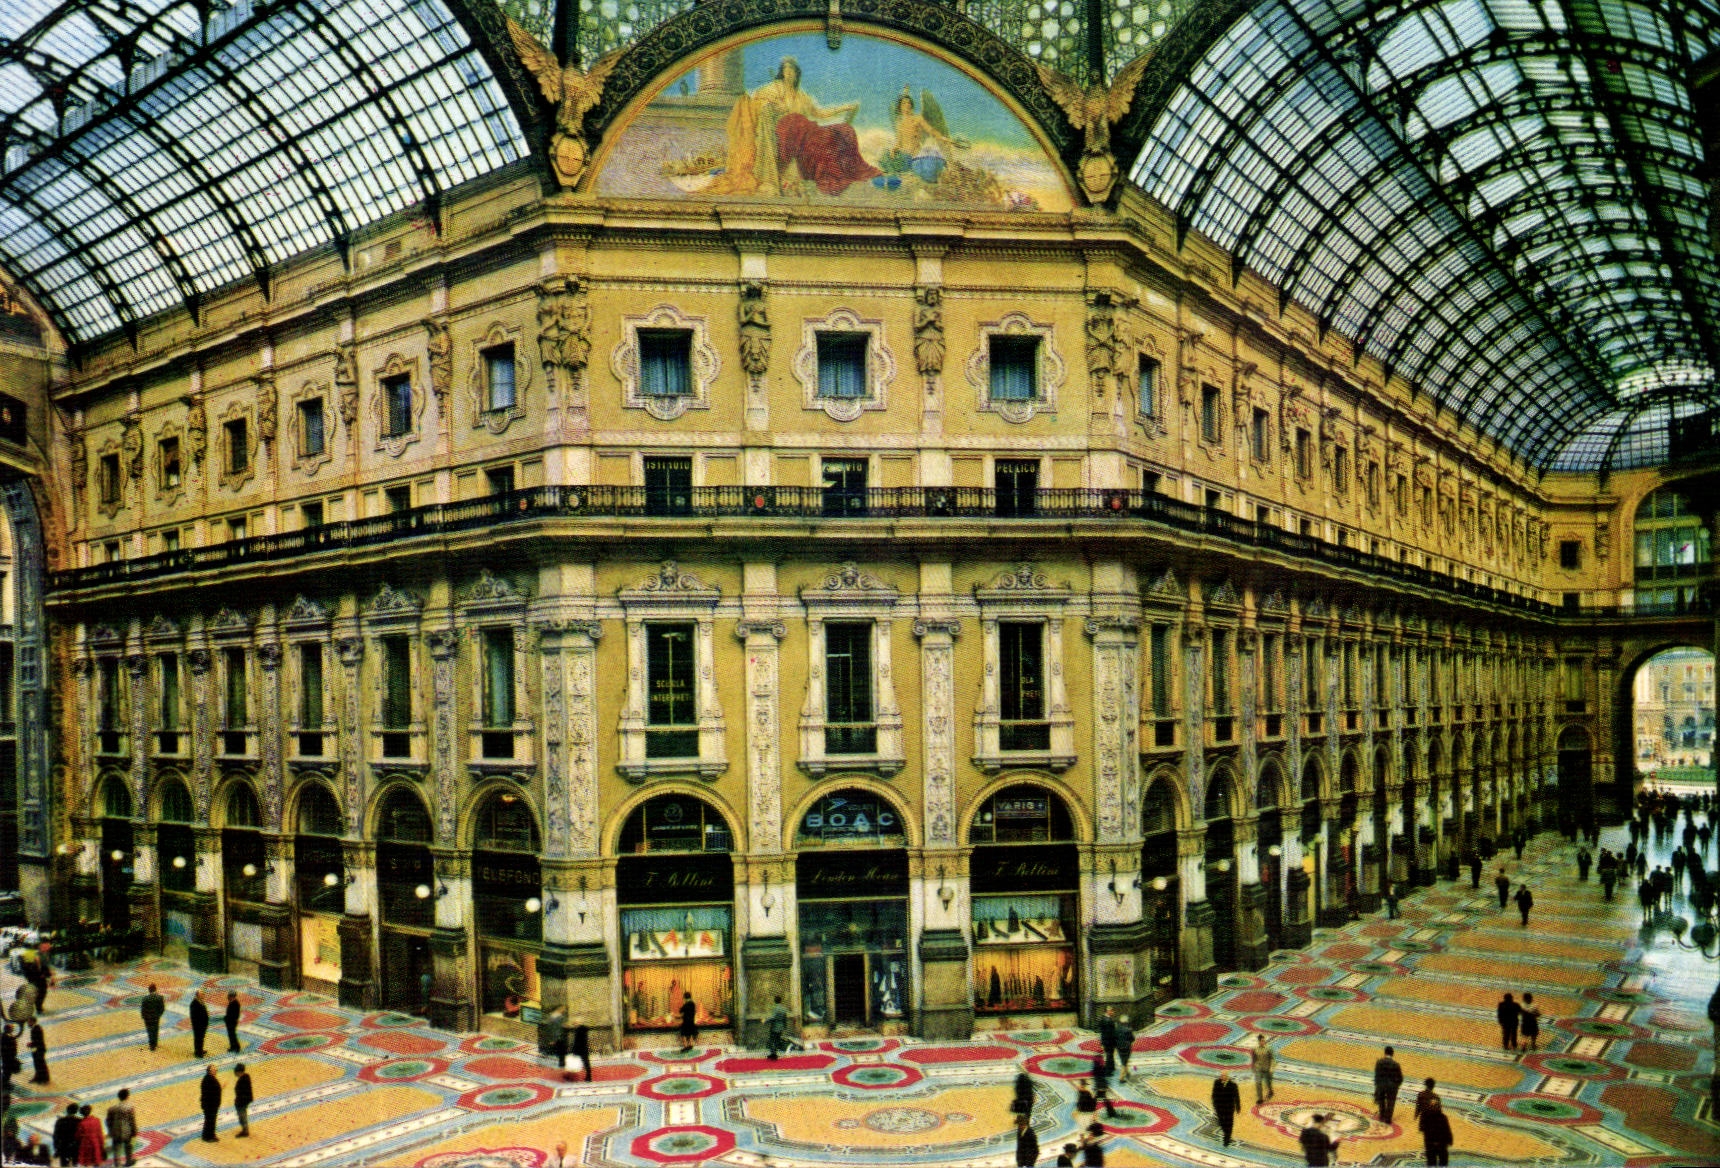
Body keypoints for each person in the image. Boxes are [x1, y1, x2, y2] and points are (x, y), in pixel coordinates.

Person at [705, 57, 874, 198]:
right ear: (782, 72)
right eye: (786, 70)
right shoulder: (775, 88)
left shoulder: (802, 96)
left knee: (843, 131)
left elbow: (820, 113)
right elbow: (756, 99)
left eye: (792, 71)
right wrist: (772, 105)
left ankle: (835, 172)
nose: (789, 73)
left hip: (805, 132)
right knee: (799, 124)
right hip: (785, 133)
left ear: (796, 74)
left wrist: (845, 107)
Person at [106, 1089, 137, 1168]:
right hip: (127, 1130)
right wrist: (134, 1130)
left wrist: (110, 1131)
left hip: (116, 1131)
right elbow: (132, 1120)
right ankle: (128, 1161)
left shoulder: (112, 1108)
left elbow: (108, 1121)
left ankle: (117, 1164)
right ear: (127, 1096)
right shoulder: (130, 1107)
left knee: (116, 1148)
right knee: (128, 1146)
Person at [1419, 1096, 1453, 1165]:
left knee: (1432, 1162)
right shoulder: (1443, 1117)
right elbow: (1447, 1130)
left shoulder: (1424, 1116)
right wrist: (1449, 1140)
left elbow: (1421, 1128)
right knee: (1442, 1162)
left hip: (1430, 1144)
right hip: (1441, 1144)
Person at [1373, 1044, 1403, 1122]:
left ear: (1385, 1053)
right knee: (1391, 1103)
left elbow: (1377, 1075)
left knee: (1381, 1101)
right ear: (1392, 1054)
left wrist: (1377, 1086)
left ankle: (1382, 1116)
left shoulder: (1379, 1062)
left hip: (1381, 1085)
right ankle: (1388, 1119)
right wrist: (1396, 1085)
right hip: (1392, 1087)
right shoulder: (1396, 1065)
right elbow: (1400, 1078)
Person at [1211, 1070, 1241, 1147]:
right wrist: (1214, 1103)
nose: (1222, 1077)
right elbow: (1214, 1094)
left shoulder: (1233, 1085)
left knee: (1229, 1123)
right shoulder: (1216, 1082)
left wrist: (1238, 1107)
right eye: (1221, 1075)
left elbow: (1236, 1097)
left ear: (1227, 1076)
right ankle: (1226, 1134)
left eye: (1224, 1076)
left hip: (1229, 1108)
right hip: (1219, 1107)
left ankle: (1227, 1138)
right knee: (1222, 1122)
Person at [52, 1102, 80, 1167]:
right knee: (75, 1165)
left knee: (64, 1165)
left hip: (63, 1147)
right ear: (76, 1111)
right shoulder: (79, 1121)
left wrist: (56, 1148)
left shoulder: (60, 1121)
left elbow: (55, 1136)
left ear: (67, 1110)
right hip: (75, 1148)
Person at [139, 984, 165, 1051]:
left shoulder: (145, 998)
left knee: (150, 1031)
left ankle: (152, 1046)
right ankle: (155, 1044)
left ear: (149, 990)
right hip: (156, 1017)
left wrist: (144, 1016)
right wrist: (159, 1015)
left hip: (147, 1017)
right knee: (155, 1030)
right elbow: (162, 1008)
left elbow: (143, 1009)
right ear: (155, 989)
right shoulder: (159, 997)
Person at [199, 1064, 222, 1142]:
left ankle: (211, 1135)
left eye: (216, 1069)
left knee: (211, 1120)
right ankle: (207, 1137)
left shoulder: (210, 1078)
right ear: (210, 1071)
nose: (216, 1071)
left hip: (212, 1104)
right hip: (209, 1104)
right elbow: (209, 1093)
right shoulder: (208, 1080)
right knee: (209, 1120)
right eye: (214, 1070)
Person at [1251, 1034, 1275, 1102]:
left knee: (1268, 1083)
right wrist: (1253, 1067)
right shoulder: (1255, 1049)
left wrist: (1271, 1068)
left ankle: (1270, 1091)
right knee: (1258, 1083)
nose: (1263, 1042)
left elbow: (1272, 1059)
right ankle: (1260, 1098)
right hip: (1258, 1069)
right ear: (1259, 1041)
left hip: (1267, 1069)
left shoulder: (1268, 1049)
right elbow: (1254, 1059)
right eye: (1262, 1040)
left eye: (1264, 1040)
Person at [232, 1061, 253, 1137]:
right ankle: (245, 1129)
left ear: (239, 1072)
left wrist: (238, 1102)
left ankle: (245, 1131)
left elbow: (241, 1093)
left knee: (242, 1115)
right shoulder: (246, 1076)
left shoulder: (242, 1080)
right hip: (245, 1100)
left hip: (242, 1102)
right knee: (243, 1114)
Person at [1096, 1006, 1118, 1076]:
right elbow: (1111, 1033)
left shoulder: (1102, 1018)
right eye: (1112, 1011)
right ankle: (1108, 1071)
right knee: (1109, 1055)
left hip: (1105, 1040)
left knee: (1109, 1055)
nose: (1113, 1012)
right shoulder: (1108, 1021)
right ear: (1108, 1011)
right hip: (1109, 1041)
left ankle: (1112, 1067)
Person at [767, 995, 789, 1060]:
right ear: (780, 1000)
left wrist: (765, 1020)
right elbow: (785, 1019)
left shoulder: (775, 1008)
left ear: (775, 1000)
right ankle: (774, 1053)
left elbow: (773, 1017)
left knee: (772, 1040)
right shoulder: (783, 1008)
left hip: (774, 1027)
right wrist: (785, 1026)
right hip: (781, 1027)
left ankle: (773, 1054)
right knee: (777, 1040)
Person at [188, 991, 209, 1059]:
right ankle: (198, 1053)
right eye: (202, 994)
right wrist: (198, 1024)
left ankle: (200, 1050)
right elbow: (193, 1016)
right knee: (198, 1038)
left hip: (202, 1024)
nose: (203, 995)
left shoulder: (201, 1002)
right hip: (198, 1025)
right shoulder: (194, 1004)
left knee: (201, 1038)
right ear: (197, 995)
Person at [28, 1018, 48, 1083]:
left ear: (33, 1021)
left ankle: (43, 1078)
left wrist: (31, 1044)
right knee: (38, 1064)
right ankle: (40, 1078)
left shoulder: (36, 1029)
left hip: (39, 1049)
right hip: (38, 1048)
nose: (28, 1023)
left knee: (40, 1064)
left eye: (29, 1022)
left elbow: (38, 1040)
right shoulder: (36, 1028)